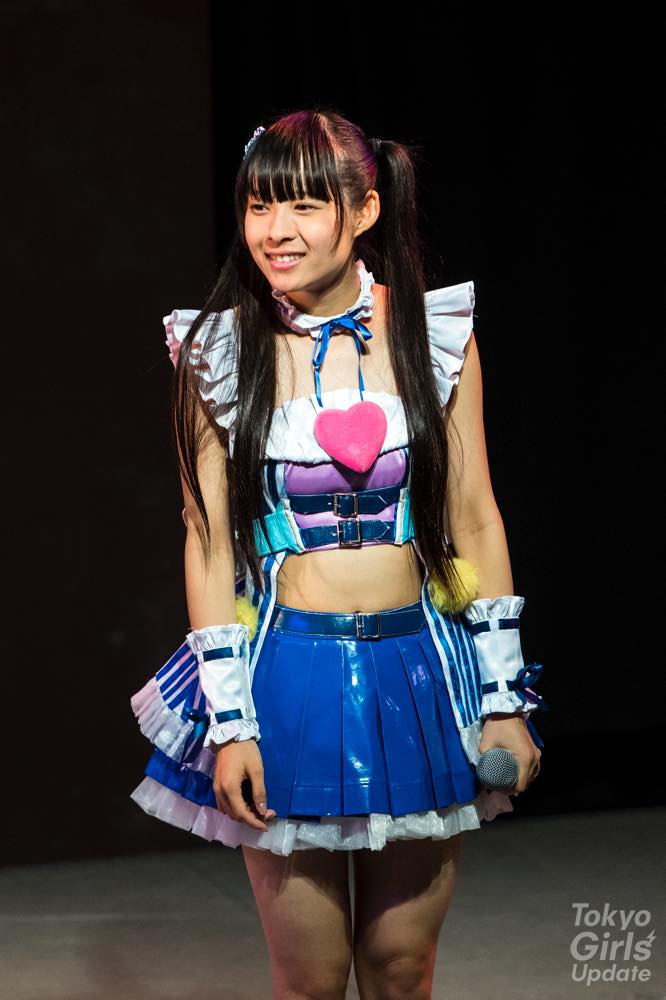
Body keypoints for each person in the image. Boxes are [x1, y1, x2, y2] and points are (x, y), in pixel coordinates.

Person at [130, 108, 547, 998]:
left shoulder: (432, 332)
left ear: (363, 209)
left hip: (418, 670)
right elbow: (206, 539)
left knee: (401, 968)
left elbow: (475, 518)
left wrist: (505, 698)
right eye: (258, 206)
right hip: (286, 674)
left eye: (303, 205)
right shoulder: (219, 350)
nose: (274, 231)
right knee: (311, 980)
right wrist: (233, 724)